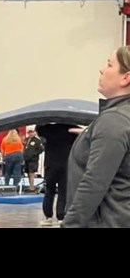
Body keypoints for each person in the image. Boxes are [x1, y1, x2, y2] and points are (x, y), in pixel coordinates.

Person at [62, 46, 130, 228]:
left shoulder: (114, 120)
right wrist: (92, 136)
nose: (102, 70)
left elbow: (94, 183)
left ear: (126, 78)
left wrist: (70, 224)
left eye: (109, 65)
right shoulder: (117, 120)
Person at [37, 122, 78, 226]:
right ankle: (61, 216)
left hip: (50, 165)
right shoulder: (71, 128)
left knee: (49, 190)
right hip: (65, 164)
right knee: (63, 191)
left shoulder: (48, 129)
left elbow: (38, 128)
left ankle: (48, 216)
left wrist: (45, 120)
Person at [22, 127, 45, 193]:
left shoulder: (37, 140)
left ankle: (32, 187)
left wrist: (34, 154)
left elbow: (41, 149)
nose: (30, 133)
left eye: (32, 132)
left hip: (33, 159)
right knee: (28, 173)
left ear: (34, 132)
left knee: (31, 173)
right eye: (29, 132)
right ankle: (30, 185)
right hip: (27, 159)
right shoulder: (26, 140)